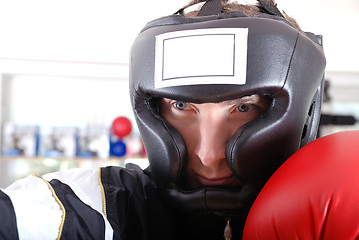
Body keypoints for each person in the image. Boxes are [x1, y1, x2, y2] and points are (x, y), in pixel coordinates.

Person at [0, 0, 326, 239]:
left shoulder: (333, 211)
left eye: (244, 108)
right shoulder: (106, 209)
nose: (209, 156)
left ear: (303, 114)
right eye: (182, 106)